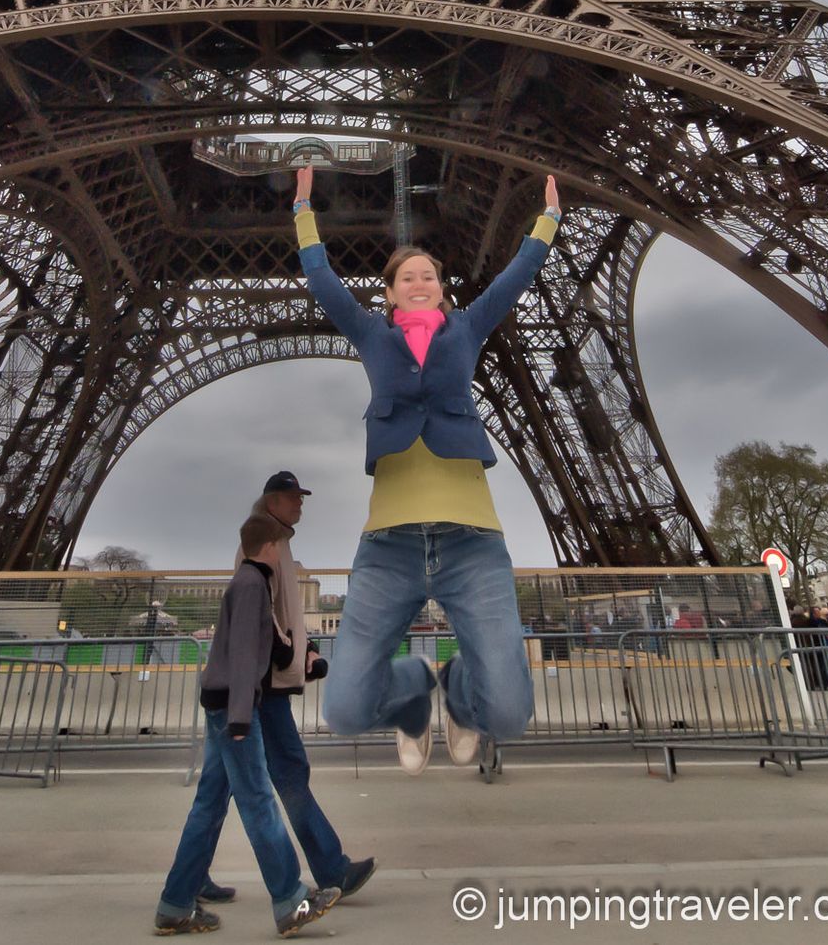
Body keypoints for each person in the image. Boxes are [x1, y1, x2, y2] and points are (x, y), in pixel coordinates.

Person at [293, 163, 561, 774]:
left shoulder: (466, 329)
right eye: (407, 277)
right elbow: (321, 278)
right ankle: (414, 690)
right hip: (389, 545)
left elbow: (517, 278)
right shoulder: (370, 335)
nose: (419, 281)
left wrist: (547, 222)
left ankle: (460, 696)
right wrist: (303, 210)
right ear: (389, 293)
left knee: (511, 714)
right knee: (345, 711)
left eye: (429, 275)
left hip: (472, 541)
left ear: (442, 289)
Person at [153, 515, 340, 939]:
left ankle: (175, 903)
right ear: (271, 547)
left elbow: (271, 647)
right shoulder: (253, 586)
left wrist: (305, 660)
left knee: (209, 803)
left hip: (224, 702)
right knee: (258, 802)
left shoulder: (249, 583)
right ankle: (291, 899)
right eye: (281, 546)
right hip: (234, 708)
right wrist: (240, 716)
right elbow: (242, 655)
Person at [198, 472, 375, 908]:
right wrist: (289, 658)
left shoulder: (277, 542)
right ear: (274, 501)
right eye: (295, 498)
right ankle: (329, 870)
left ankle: (189, 877)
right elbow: (260, 616)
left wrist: (306, 652)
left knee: (217, 787)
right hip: (262, 687)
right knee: (289, 772)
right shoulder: (262, 546)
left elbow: (285, 617)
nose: (301, 505)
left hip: (261, 683)